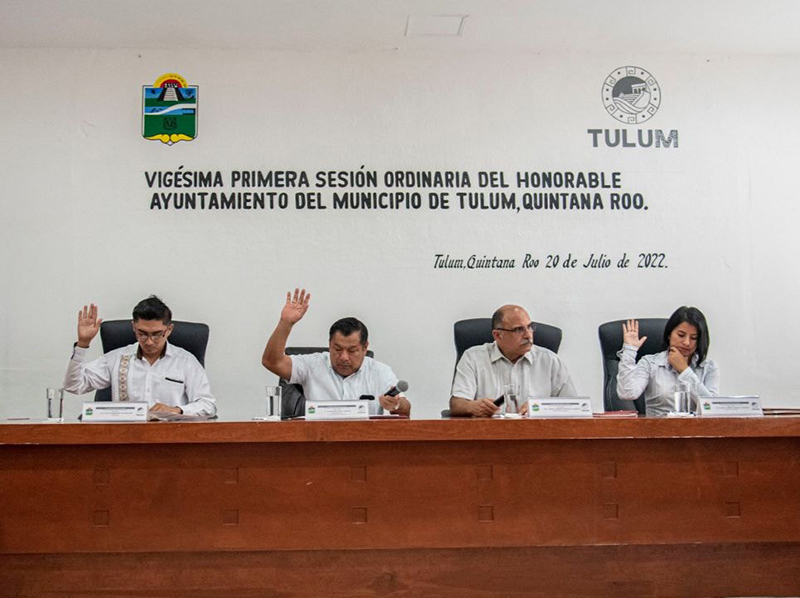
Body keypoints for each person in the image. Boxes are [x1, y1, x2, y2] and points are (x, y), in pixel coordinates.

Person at [261, 288, 410, 416]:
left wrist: (395, 404)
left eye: (352, 351)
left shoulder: (380, 372)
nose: (344, 357)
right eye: (337, 349)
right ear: (329, 345)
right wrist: (286, 323)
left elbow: (405, 410)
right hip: (318, 438)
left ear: (365, 347)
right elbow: (272, 362)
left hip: (364, 440)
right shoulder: (312, 365)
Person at [63, 296, 216, 416]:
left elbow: (208, 405)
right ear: (133, 327)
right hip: (126, 436)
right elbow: (73, 385)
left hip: (170, 435)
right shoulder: (117, 358)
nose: (149, 341)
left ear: (169, 329)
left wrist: (177, 410)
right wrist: (83, 343)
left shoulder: (186, 361)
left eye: (157, 334)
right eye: (142, 333)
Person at [449, 304, 577, 417]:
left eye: (530, 327)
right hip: (488, 432)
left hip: (537, 432)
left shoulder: (549, 360)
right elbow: (456, 404)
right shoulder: (473, 357)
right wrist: (471, 407)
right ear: (498, 335)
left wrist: (540, 407)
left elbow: (573, 406)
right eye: (519, 330)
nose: (528, 335)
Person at [616, 306, 719, 417]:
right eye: (681, 335)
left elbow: (711, 407)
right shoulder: (650, 363)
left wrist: (684, 370)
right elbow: (627, 393)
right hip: (658, 426)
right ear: (669, 334)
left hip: (696, 427)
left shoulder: (709, 367)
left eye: (694, 338)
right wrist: (630, 350)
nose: (687, 342)